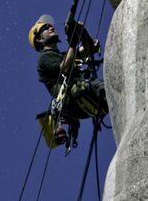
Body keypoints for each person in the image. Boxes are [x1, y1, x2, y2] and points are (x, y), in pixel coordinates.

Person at [28, 15, 108, 146]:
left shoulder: (63, 55)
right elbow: (65, 68)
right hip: (74, 97)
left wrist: (81, 31)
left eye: (50, 26)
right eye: (45, 28)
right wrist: (73, 43)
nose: (50, 28)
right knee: (112, 87)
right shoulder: (45, 58)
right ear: (39, 39)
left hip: (81, 99)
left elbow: (88, 49)